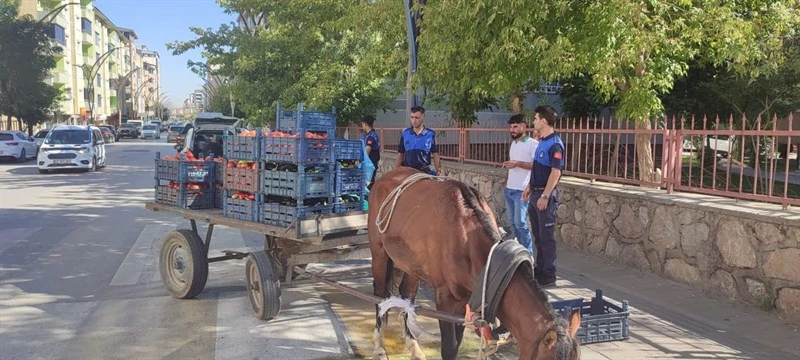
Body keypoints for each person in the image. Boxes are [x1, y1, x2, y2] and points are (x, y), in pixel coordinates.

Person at [522, 105, 565, 288]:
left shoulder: (555, 144)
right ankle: (540, 270)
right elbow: (539, 168)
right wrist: (529, 187)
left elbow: (555, 173)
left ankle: (549, 275)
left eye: (536, 118)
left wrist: (545, 196)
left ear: (544, 121)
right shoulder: (542, 141)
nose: (533, 122)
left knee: (546, 237)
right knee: (538, 236)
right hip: (536, 193)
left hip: (544, 196)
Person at [502, 114, 538, 255]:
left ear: (523, 126)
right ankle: (519, 250)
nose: (512, 129)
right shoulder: (514, 143)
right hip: (509, 189)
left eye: (515, 126)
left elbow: (537, 166)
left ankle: (528, 253)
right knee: (512, 223)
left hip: (522, 190)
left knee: (520, 223)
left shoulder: (533, 144)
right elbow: (514, 164)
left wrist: (518, 164)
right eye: (510, 127)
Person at [395, 106, 441, 175]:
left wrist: (439, 173)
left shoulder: (430, 135)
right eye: (412, 117)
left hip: (424, 172)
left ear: (423, 117)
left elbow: (435, 155)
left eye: (417, 117)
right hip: (407, 171)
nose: (414, 120)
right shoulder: (405, 134)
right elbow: (400, 154)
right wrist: (395, 171)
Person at [362, 115, 380, 190]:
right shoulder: (372, 134)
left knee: (369, 185)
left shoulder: (371, 136)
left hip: (370, 165)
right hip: (372, 164)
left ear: (365, 124)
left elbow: (367, 152)